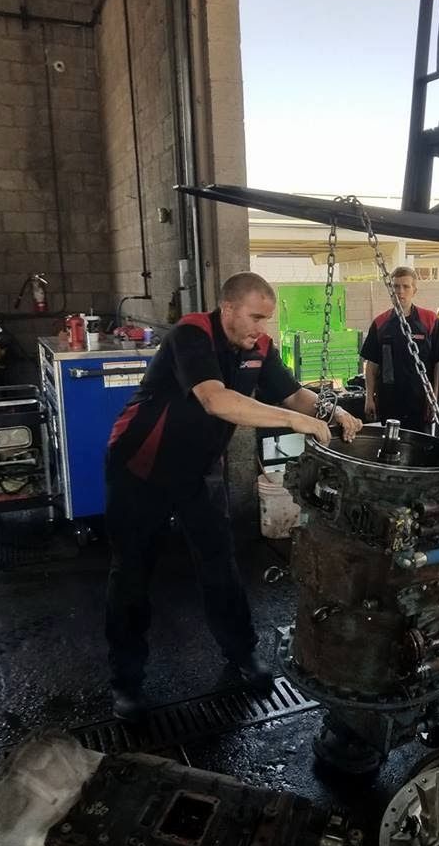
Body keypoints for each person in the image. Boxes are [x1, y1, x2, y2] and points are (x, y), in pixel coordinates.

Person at [105, 271, 362, 721]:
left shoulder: (259, 349)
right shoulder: (191, 335)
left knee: (220, 563)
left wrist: (332, 409)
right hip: (140, 467)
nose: (261, 328)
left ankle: (243, 654)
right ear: (227, 309)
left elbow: (293, 394)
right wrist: (293, 423)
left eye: (267, 319)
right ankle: (126, 681)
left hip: (197, 472)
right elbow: (215, 400)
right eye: (255, 317)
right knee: (132, 572)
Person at [360, 266, 439, 433]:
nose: (400, 291)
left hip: (420, 401)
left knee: (419, 450)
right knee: (389, 447)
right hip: (389, 401)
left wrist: (434, 396)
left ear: (414, 290)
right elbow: (371, 365)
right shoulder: (380, 323)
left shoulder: (430, 321)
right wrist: (369, 398)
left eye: (406, 287)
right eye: (396, 286)